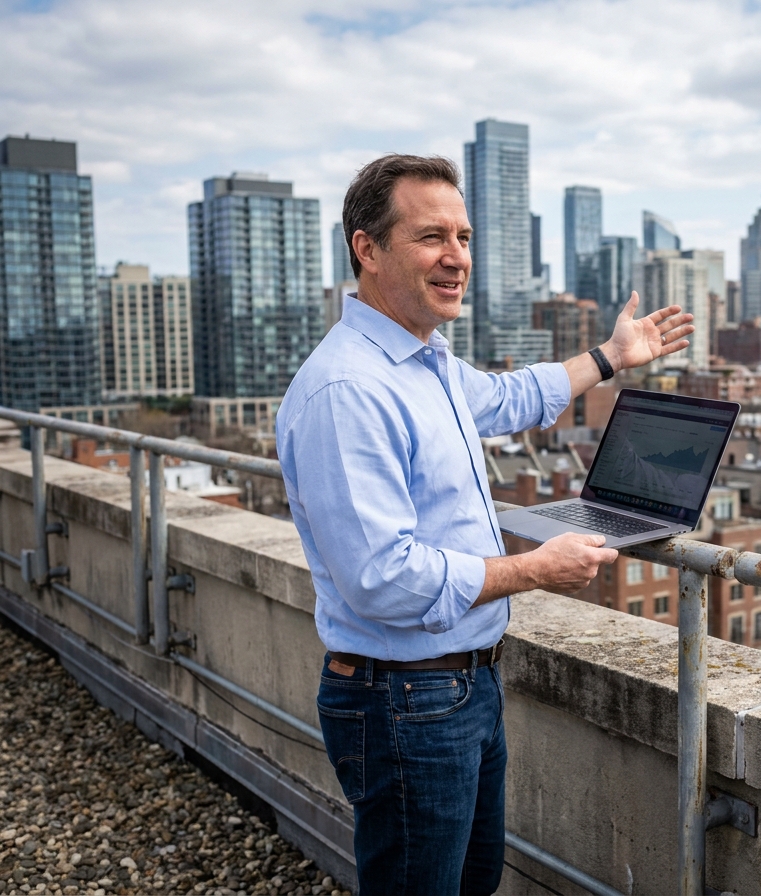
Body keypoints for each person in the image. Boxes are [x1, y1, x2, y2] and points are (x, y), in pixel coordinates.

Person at [275, 153, 693, 896]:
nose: (457, 257)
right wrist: (534, 570)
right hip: (404, 701)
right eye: (432, 237)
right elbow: (382, 579)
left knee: (472, 881)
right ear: (368, 249)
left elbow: (507, 399)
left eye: (463, 237)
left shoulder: (423, 361)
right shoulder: (349, 390)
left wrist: (610, 357)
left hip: (461, 687)